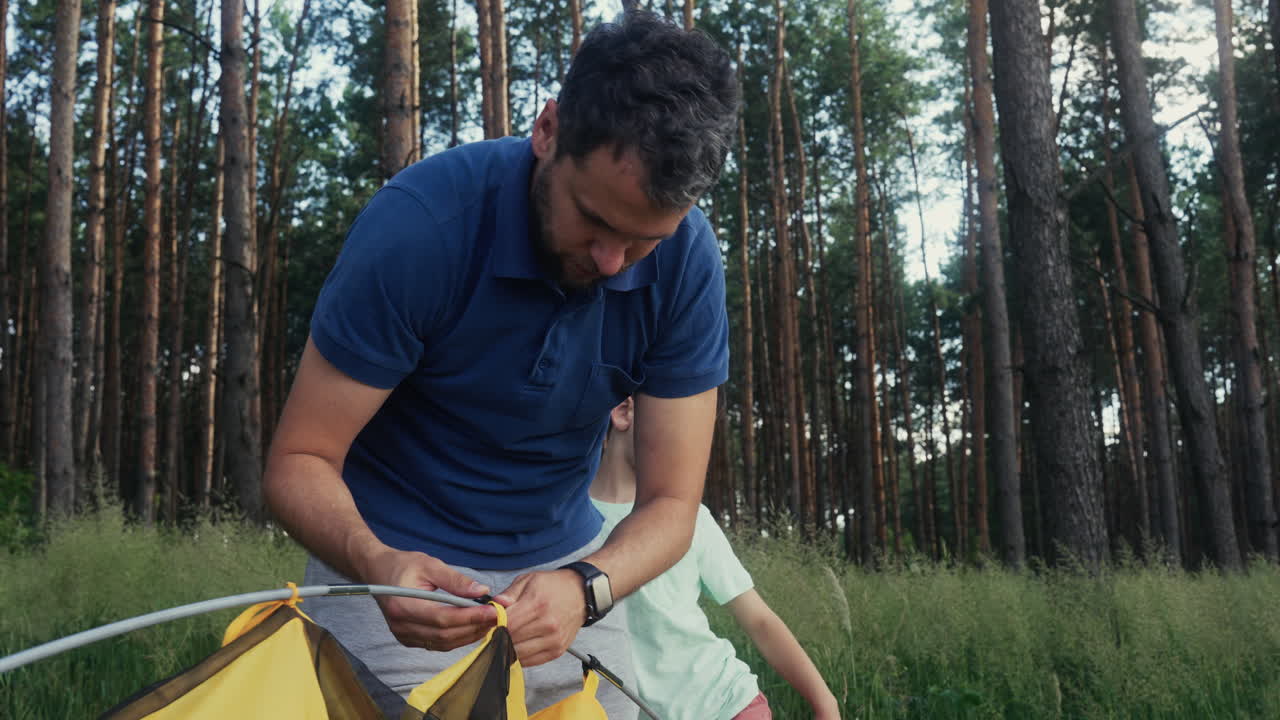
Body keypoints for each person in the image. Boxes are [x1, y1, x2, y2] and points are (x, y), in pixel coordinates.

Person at [261, 9, 740, 719]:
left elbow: (672, 506)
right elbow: (298, 460)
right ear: (547, 132)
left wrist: (585, 587)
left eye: (643, 241)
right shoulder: (422, 230)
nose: (612, 263)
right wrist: (378, 565)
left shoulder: (688, 265)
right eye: (595, 221)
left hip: (568, 576)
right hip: (397, 573)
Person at [591, 397, 842, 720]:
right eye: (675, 423)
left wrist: (825, 703)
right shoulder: (566, 524)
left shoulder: (691, 519)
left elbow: (759, 620)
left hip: (726, 706)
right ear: (624, 412)